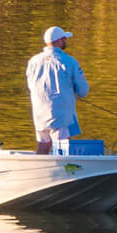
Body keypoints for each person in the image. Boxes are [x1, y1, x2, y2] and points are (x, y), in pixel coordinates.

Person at [26, 25, 89, 154]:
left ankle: (39, 170)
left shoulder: (33, 61)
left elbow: (30, 86)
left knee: (43, 144)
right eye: (64, 39)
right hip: (60, 115)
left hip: (39, 113)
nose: (66, 41)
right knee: (62, 148)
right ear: (59, 41)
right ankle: (63, 173)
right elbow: (83, 90)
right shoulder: (68, 61)